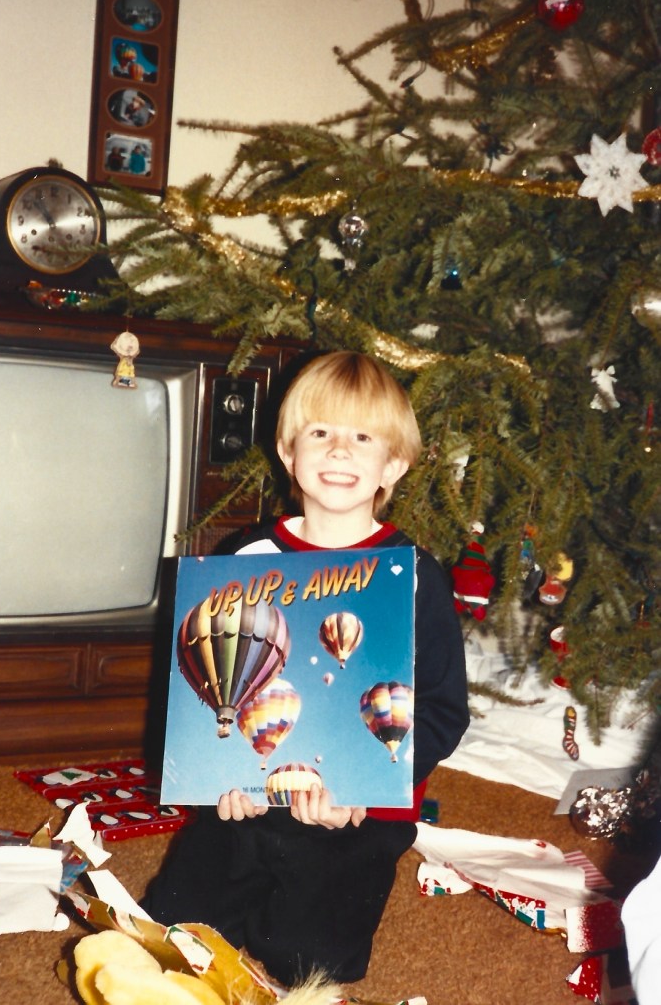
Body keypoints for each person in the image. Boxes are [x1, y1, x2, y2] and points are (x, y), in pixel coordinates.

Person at [142, 351, 469, 986]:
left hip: (356, 817)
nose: (340, 451)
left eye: (363, 437)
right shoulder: (245, 557)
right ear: (290, 455)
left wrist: (364, 787)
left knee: (316, 965)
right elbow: (193, 689)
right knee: (171, 932)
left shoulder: (417, 576)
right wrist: (212, 784)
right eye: (320, 433)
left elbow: (442, 710)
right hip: (247, 803)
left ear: (392, 465)